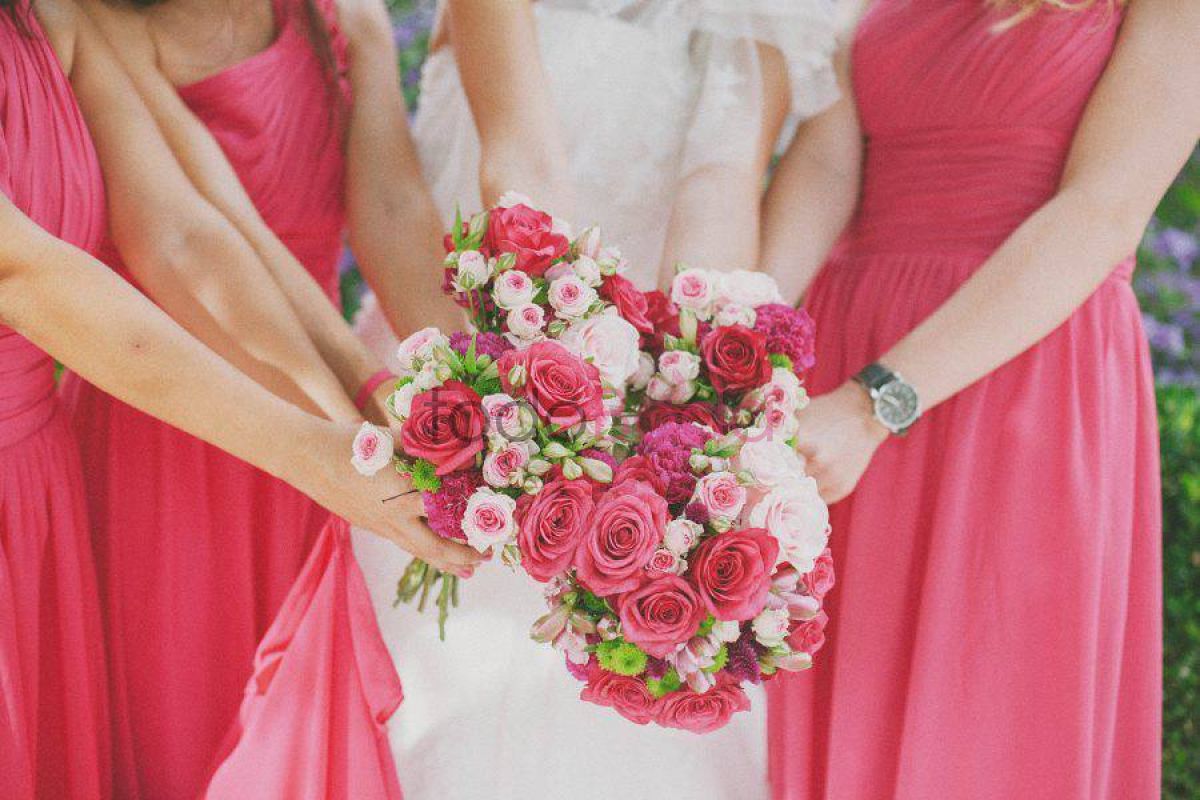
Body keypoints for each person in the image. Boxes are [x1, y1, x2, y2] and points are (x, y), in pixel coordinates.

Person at [349, 2, 840, 797]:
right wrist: (533, 406)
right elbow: (519, 161)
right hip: (468, 352)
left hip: (641, 398)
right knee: (425, 701)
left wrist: (684, 420)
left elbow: (721, 183)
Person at [0, 1, 477, 795]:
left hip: (44, 491)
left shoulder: (47, 17)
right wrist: (320, 446)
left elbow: (187, 235)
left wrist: (367, 412)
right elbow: (25, 274)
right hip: (138, 441)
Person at [761, 0, 1194, 797]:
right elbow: (826, 162)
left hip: (1019, 367)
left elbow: (1099, 214)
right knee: (849, 690)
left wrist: (871, 405)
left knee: (988, 722)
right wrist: (733, 347)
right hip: (843, 355)